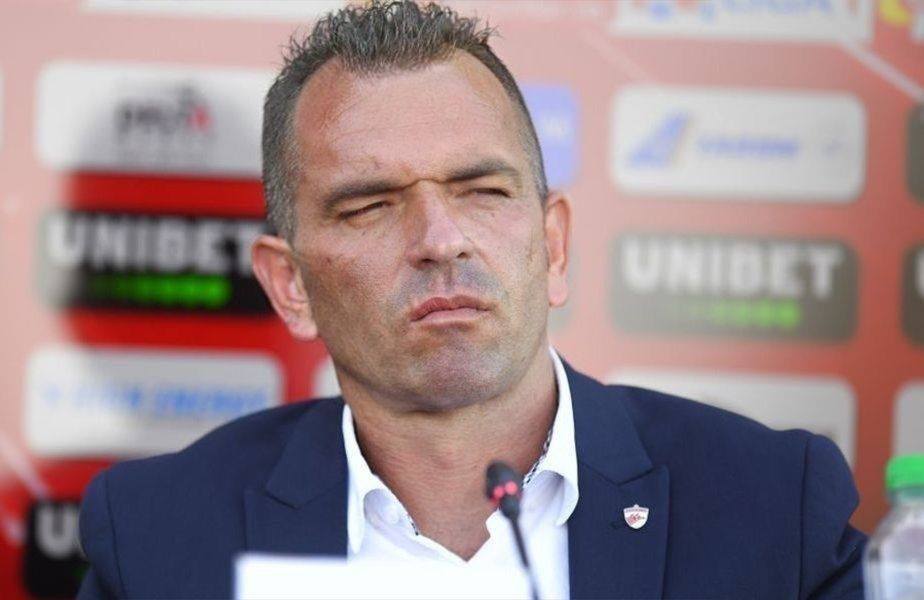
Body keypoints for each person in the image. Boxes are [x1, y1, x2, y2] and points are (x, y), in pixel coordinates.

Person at [76, 2, 866, 598]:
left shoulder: (775, 505)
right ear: (291, 286)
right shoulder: (157, 538)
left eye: (482, 190)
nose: (440, 239)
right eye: (370, 206)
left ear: (554, 246)